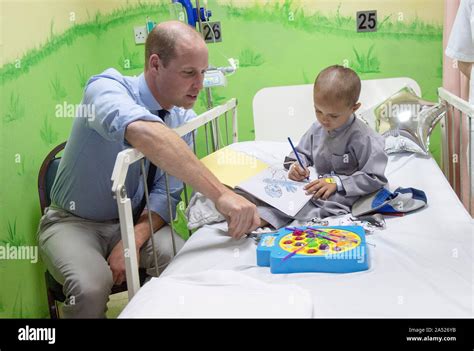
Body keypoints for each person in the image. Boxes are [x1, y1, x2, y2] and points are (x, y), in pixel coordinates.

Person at [37, 21, 259, 318]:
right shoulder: (104, 89)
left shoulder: (182, 119)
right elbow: (143, 132)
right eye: (189, 73)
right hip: (74, 222)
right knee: (91, 286)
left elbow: (165, 195)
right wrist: (219, 194)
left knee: (183, 261)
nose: (200, 84)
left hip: (134, 221)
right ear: (156, 64)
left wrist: (132, 240)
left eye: (204, 72)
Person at [240, 65, 388, 229]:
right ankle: (245, 206)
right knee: (273, 190)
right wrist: (296, 165)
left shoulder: (364, 138)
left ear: (354, 108)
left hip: (345, 192)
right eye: (318, 111)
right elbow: (301, 153)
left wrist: (336, 182)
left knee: (317, 205)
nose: (324, 120)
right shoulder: (317, 128)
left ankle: (264, 218)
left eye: (333, 115)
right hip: (315, 185)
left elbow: (375, 177)